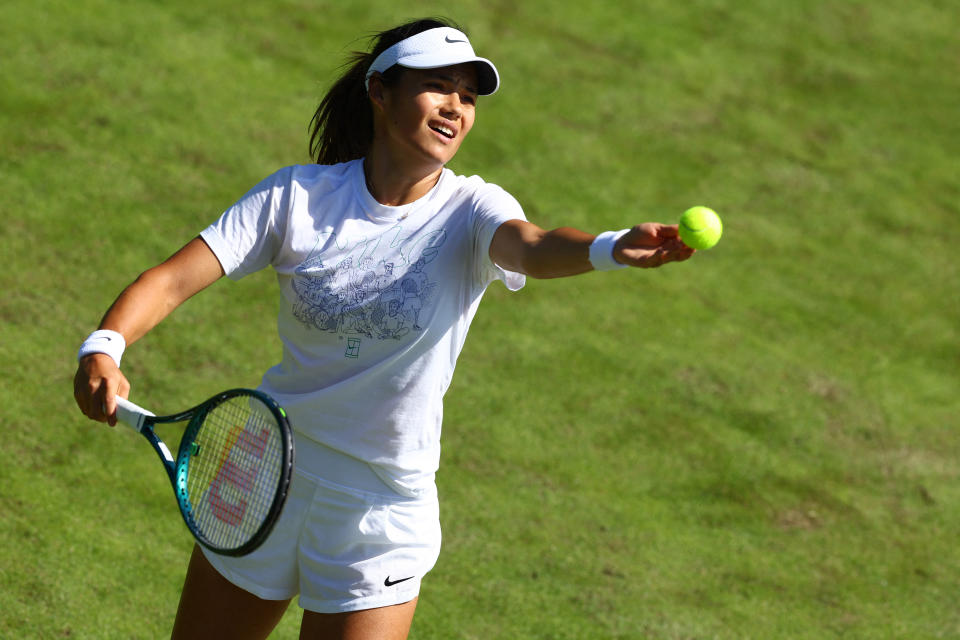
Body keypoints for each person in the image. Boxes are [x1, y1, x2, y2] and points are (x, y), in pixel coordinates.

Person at [73, 17, 695, 640]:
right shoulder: (298, 198)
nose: (456, 106)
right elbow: (173, 280)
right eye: (439, 86)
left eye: (469, 96)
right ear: (380, 91)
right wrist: (103, 347)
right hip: (263, 472)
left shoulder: (474, 210)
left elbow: (532, 247)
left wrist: (611, 247)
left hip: (379, 514)